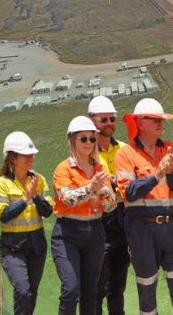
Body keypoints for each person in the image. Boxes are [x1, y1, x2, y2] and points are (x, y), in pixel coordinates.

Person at [115, 98, 173, 315]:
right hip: (141, 228)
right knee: (147, 285)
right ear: (140, 123)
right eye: (155, 120)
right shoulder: (125, 154)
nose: (161, 124)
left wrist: (170, 172)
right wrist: (156, 175)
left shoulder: (170, 148)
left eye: (162, 120)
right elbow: (128, 193)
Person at [52, 116, 119, 315]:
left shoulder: (100, 169)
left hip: (95, 231)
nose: (89, 142)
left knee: (91, 291)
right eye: (83, 139)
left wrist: (103, 191)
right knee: (71, 289)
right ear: (72, 140)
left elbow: (110, 205)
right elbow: (67, 199)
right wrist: (92, 188)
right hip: (67, 233)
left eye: (92, 138)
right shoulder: (63, 168)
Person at [0, 132, 53, 315]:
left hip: (37, 246)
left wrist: (35, 195)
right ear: (13, 157)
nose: (31, 158)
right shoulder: (2, 184)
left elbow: (48, 211)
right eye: (26, 155)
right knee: (22, 290)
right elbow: (4, 216)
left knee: (31, 293)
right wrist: (26, 198)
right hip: (12, 248)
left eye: (32, 155)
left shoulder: (39, 179)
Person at [88, 95, 130, 315]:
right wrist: (115, 183)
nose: (109, 124)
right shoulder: (85, 152)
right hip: (99, 224)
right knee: (97, 284)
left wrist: (112, 184)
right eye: (103, 119)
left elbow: (129, 184)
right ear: (91, 120)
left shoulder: (124, 149)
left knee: (118, 283)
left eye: (112, 119)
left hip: (123, 222)